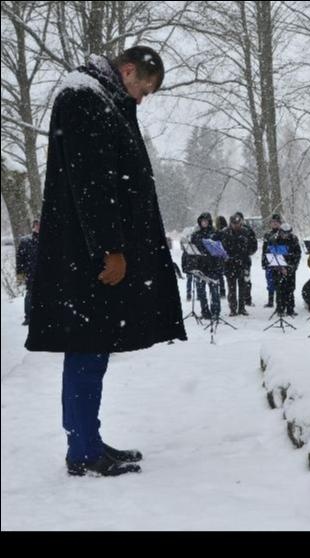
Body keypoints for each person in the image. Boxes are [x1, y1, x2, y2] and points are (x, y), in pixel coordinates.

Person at [25, 46, 186, 477]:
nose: (142, 98)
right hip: (87, 258)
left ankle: (87, 439)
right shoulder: (83, 96)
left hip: (88, 253)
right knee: (87, 349)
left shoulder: (100, 97)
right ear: (128, 69)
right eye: (143, 88)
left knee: (92, 350)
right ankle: (82, 450)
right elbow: (92, 182)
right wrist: (110, 248)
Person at [220, 214, 257, 316]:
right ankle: (233, 308)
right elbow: (221, 247)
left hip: (243, 263)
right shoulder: (225, 233)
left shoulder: (246, 232)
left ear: (241, 222)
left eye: (238, 223)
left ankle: (242, 308)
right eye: (234, 223)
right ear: (230, 223)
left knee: (243, 287)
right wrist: (227, 256)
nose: (236, 225)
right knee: (231, 288)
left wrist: (246, 253)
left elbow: (253, 246)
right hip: (229, 264)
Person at [190, 212, 223, 319]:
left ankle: (216, 312)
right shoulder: (196, 235)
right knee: (201, 292)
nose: (204, 222)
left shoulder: (215, 233)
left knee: (214, 291)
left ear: (209, 222)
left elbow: (220, 249)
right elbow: (192, 250)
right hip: (200, 266)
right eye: (202, 221)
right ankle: (205, 312)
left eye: (206, 221)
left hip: (213, 265)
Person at [266, 222, 302, 317]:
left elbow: (298, 254)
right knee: (279, 288)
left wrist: (291, 268)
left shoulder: (294, 239)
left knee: (290, 288)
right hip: (278, 269)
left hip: (290, 267)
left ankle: (290, 309)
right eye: (283, 233)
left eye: (288, 233)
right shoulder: (274, 239)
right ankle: (280, 309)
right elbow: (270, 254)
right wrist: (280, 267)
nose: (285, 235)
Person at [16, 219, 40, 326]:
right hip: (31, 273)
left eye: (40, 225)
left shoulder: (48, 240)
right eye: (36, 225)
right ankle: (29, 317)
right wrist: (21, 275)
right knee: (30, 295)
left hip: (45, 273)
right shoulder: (25, 241)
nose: (38, 227)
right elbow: (20, 259)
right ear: (33, 227)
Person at [233, 211, 256, 307]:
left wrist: (248, 252)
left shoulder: (248, 230)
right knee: (234, 281)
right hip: (234, 260)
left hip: (245, 260)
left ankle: (247, 299)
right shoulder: (231, 230)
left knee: (246, 280)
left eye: (239, 219)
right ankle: (235, 301)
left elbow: (253, 244)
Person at [262, 213, 282, 308]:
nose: (274, 224)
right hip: (269, 261)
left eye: (276, 222)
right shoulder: (267, 234)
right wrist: (263, 261)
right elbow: (264, 249)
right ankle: (270, 301)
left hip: (279, 261)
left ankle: (279, 302)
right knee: (269, 281)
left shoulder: (282, 233)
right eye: (272, 222)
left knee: (279, 282)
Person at [214, 215, 228, 297]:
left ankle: (221, 290)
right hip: (223, 255)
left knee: (219, 274)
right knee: (221, 274)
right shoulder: (226, 231)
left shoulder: (219, 232)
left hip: (219, 255)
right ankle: (222, 290)